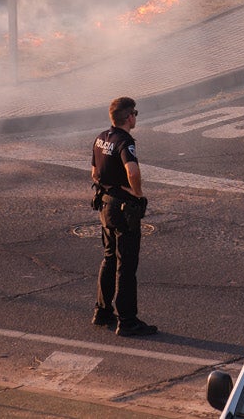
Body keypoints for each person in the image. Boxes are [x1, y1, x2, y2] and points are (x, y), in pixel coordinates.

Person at [90, 96, 156, 336]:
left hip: (105, 205)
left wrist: (110, 186)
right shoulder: (125, 141)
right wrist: (136, 194)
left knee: (108, 258)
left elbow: (95, 173)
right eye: (135, 114)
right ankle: (127, 321)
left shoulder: (101, 138)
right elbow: (132, 170)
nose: (136, 117)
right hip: (123, 209)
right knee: (126, 266)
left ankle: (102, 311)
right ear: (128, 117)